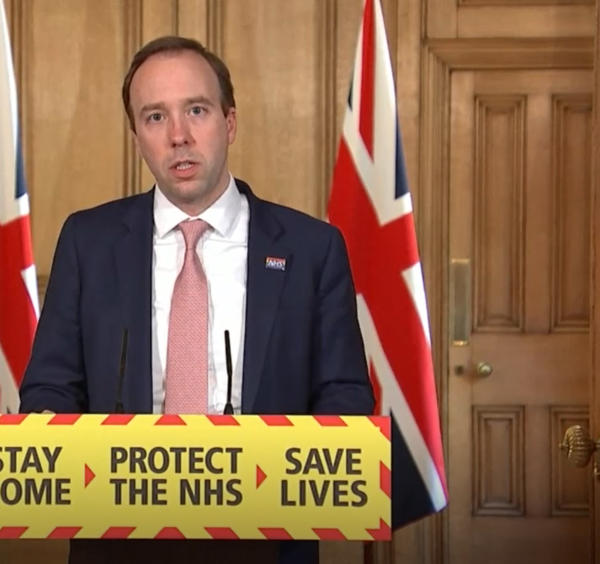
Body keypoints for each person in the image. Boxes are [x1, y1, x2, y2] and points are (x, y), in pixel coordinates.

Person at [20, 35, 374, 564]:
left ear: (229, 123)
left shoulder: (311, 249)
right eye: (155, 117)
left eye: (196, 111)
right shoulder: (87, 242)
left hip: (264, 538)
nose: (179, 136)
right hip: (119, 538)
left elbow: (345, 399)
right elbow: (50, 387)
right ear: (137, 135)